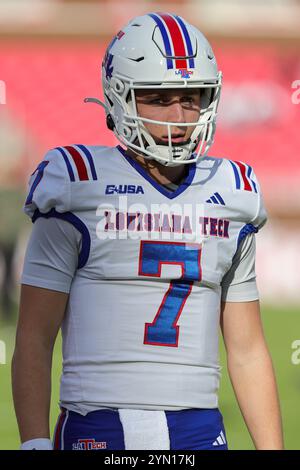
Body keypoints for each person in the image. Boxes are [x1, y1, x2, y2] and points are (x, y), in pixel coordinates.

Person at [12, 12, 284, 450]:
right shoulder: (78, 183)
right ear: (121, 99)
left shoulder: (232, 191)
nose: (180, 115)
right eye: (158, 98)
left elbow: (248, 348)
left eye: (191, 97)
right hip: (97, 427)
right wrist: (34, 442)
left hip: (199, 432)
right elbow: (34, 336)